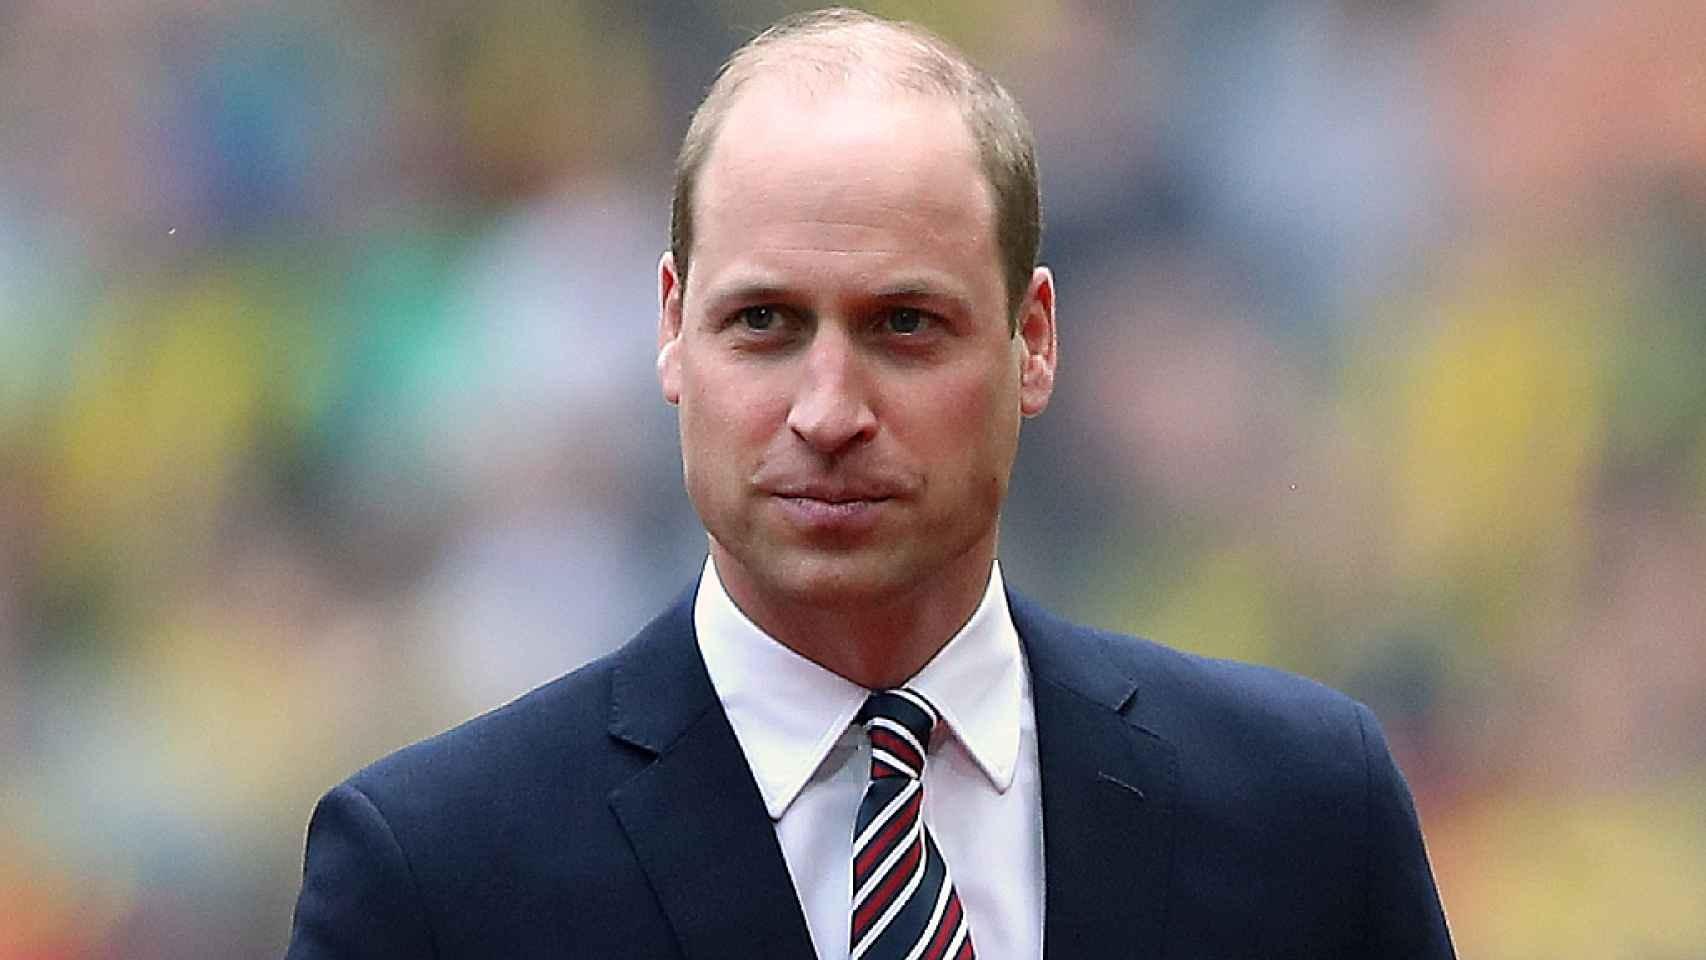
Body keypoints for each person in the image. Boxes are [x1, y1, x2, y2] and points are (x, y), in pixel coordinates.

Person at [284, 8, 1455, 959]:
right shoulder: (437, 874)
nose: (828, 411)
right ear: (671, 331)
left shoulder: (1300, 814)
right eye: (762, 322)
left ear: (1032, 340)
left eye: (903, 324)